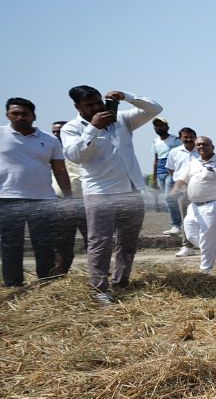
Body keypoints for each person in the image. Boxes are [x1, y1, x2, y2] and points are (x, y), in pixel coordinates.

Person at [60, 87, 163, 304]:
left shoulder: (122, 119)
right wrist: (93, 128)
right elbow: (75, 156)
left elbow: (155, 108)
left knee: (128, 242)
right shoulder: (71, 128)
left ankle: (121, 282)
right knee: (100, 242)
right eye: (90, 105)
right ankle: (99, 289)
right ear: (78, 107)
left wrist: (127, 97)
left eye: (99, 102)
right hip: (100, 194)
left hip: (131, 191)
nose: (98, 108)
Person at [1, 99, 73, 286]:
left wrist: (68, 198)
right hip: (7, 199)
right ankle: (13, 284)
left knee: (44, 244)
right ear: (7, 115)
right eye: (15, 113)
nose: (20, 117)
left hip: (42, 200)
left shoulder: (49, 140)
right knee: (11, 245)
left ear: (33, 116)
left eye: (24, 114)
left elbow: (60, 170)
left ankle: (46, 282)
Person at [171, 136, 216, 272]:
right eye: (198, 145)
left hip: (213, 206)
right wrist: (174, 189)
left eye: (205, 144)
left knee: (207, 239)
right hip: (194, 206)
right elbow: (183, 180)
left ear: (212, 147)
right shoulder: (193, 162)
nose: (201, 147)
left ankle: (206, 271)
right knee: (191, 235)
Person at [49, 121, 87, 275]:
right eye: (54, 132)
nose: (57, 134)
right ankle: (59, 274)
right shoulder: (49, 151)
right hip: (60, 202)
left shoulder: (79, 150)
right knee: (63, 243)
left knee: (94, 241)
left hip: (86, 201)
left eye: (60, 131)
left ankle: (99, 275)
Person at [165, 128, 199, 257]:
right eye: (186, 137)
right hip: (183, 189)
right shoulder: (174, 152)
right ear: (180, 138)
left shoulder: (201, 150)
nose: (189, 139)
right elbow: (171, 170)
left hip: (200, 188)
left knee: (203, 216)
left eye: (191, 136)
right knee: (186, 218)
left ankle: (206, 244)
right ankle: (187, 246)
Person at [149, 118, 182, 235]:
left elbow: (182, 154)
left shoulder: (175, 140)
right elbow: (156, 159)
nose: (159, 128)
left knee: (170, 198)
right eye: (156, 126)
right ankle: (177, 224)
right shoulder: (155, 142)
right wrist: (154, 177)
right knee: (168, 201)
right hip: (160, 173)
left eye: (161, 125)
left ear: (167, 127)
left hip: (171, 173)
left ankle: (177, 224)